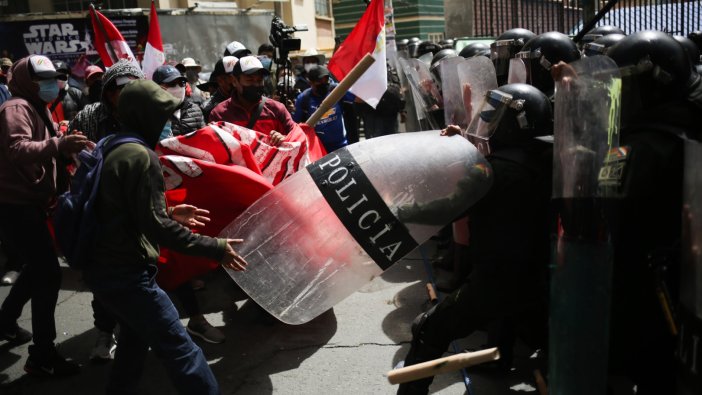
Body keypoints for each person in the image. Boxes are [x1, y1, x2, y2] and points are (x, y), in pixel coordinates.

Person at [82, 79, 247, 394]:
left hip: (103, 268)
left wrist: (169, 213)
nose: (168, 122)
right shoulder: (141, 157)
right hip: (126, 273)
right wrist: (216, 247)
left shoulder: (112, 144)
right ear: (144, 114)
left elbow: (120, 211)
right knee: (180, 348)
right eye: (162, 114)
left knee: (133, 341)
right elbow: (157, 229)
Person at [396, 84, 553, 395]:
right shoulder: (549, 160)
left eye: (497, 119)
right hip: (541, 275)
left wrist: (400, 211)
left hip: (498, 275)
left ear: (513, 123)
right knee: (515, 319)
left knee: (429, 328)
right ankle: (502, 359)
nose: (490, 124)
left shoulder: (495, 171)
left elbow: (448, 208)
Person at [0, 55, 91, 377]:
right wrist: (58, 143)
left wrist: (66, 148)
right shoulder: (16, 108)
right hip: (15, 205)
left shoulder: (37, 106)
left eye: (54, 77)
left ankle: (5, 322)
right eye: (45, 79)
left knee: (36, 268)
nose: (53, 84)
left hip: (32, 203)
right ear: (27, 80)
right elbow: (17, 149)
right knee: (48, 274)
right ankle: (42, 354)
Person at [69, 59, 145, 362]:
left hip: (137, 206)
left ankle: (135, 334)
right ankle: (104, 331)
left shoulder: (146, 116)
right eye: (121, 88)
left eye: (134, 88)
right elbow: (70, 153)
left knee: (141, 274)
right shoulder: (88, 116)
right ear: (109, 90)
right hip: (97, 207)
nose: (126, 94)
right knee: (101, 277)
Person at [209, 55, 297, 145]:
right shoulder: (219, 114)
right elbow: (213, 147)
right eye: (250, 80)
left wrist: (284, 139)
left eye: (259, 80)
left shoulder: (277, 109)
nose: (255, 84)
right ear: (235, 81)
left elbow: (297, 137)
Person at [70, 59, 145, 143]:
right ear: (110, 94)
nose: (135, 93)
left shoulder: (151, 113)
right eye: (127, 88)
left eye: (139, 87)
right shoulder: (88, 118)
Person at [293, 65, 352, 152]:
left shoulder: (336, 90)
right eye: (320, 81)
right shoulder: (303, 99)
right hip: (317, 149)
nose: (324, 83)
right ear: (310, 82)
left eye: (326, 79)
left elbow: (359, 98)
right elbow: (296, 125)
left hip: (341, 146)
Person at [152, 64, 205, 136]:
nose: (179, 88)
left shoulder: (194, 109)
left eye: (182, 83)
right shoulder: (151, 115)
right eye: (172, 83)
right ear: (157, 87)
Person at [201, 56, 238, 122]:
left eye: (239, 76)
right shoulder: (208, 109)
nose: (236, 80)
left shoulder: (250, 100)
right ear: (220, 80)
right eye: (231, 77)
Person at [49, 60, 86, 124]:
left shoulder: (76, 93)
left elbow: (89, 116)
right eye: (57, 74)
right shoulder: (44, 95)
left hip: (75, 132)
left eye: (64, 74)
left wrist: (71, 124)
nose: (61, 77)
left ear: (68, 75)